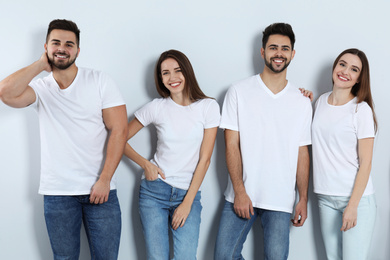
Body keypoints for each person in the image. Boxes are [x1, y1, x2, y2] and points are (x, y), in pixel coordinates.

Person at [0, 19, 127, 260]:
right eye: (56, 42)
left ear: (78, 50)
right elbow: (5, 92)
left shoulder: (100, 80)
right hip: (58, 193)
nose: (62, 48)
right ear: (46, 47)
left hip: (101, 189)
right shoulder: (41, 88)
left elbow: (119, 131)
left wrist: (105, 179)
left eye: (69, 44)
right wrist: (39, 65)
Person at [214, 23, 312, 260]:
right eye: (273, 48)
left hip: (280, 199)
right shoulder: (238, 91)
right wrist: (239, 191)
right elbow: (231, 145)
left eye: (285, 49)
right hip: (241, 194)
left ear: (292, 54)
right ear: (262, 52)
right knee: (224, 256)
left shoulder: (301, 101)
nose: (279, 53)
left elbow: (302, 152)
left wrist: (303, 198)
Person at [124, 49, 220, 259]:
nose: (172, 77)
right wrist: (145, 164)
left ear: (187, 72)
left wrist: (187, 203)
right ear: (160, 78)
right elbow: (118, 138)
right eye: (165, 73)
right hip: (154, 192)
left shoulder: (208, 107)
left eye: (177, 71)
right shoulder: (157, 107)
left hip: (189, 194)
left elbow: (205, 160)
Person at [311, 48, 377, 260]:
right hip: (325, 197)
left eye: (354, 69)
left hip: (356, 199)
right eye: (342, 64)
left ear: (359, 78)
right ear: (335, 67)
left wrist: (352, 206)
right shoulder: (319, 102)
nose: (345, 71)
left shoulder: (361, 110)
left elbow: (366, 163)